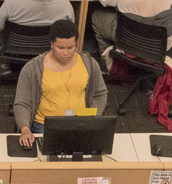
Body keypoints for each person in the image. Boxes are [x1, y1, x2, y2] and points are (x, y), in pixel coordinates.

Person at [13, 19, 108, 148]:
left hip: (80, 123)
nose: (65, 53)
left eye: (70, 48)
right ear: (51, 44)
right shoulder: (33, 68)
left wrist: (91, 119)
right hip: (45, 125)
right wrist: (25, 129)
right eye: (60, 48)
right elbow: (22, 103)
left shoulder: (89, 64)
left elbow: (100, 94)